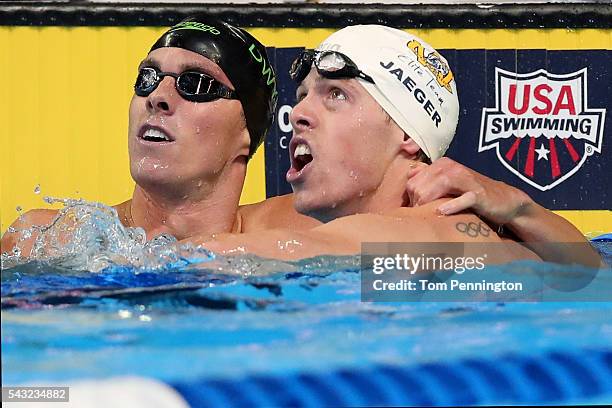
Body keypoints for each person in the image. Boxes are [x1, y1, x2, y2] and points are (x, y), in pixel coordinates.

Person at [1, 20, 591, 265]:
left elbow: (583, 276)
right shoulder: (50, 233)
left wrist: (510, 203)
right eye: (147, 79)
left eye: (335, 95)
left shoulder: (439, 232)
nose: (299, 114)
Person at [194, 25, 596, 264]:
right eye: (302, 95)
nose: (298, 113)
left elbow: (306, 250)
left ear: (407, 134)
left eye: (336, 95)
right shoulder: (318, 220)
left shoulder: (448, 230)